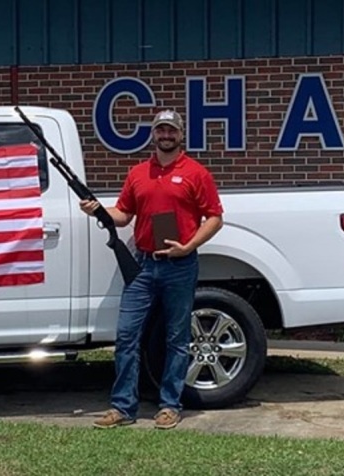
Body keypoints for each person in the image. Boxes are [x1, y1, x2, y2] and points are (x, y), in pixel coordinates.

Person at [81, 109, 223, 430]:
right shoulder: (138, 173)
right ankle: (122, 407)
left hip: (180, 265)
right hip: (143, 266)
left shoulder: (196, 173)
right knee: (127, 335)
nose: (166, 136)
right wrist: (98, 210)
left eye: (171, 130)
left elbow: (214, 217)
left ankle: (170, 405)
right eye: (161, 130)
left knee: (176, 338)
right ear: (153, 134)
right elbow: (123, 216)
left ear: (181, 135)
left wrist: (187, 247)